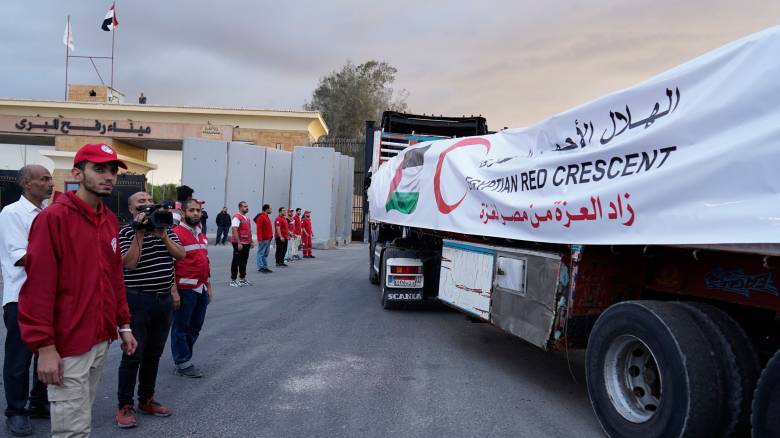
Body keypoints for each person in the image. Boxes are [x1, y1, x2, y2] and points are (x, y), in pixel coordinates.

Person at [18, 143, 137, 438]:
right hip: (67, 345)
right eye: (99, 169)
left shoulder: (109, 220)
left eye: (112, 171)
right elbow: (38, 288)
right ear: (77, 173)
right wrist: (44, 346)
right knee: (72, 431)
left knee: (82, 419)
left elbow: (114, 278)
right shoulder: (53, 218)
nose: (108, 177)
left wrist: (124, 326)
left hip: (99, 340)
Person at [115, 192, 186, 429]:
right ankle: (125, 405)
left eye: (149, 202)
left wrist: (163, 235)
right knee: (132, 354)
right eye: (140, 202)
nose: (146, 205)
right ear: (131, 208)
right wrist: (140, 233)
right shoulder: (126, 231)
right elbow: (130, 263)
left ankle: (146, 399)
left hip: (163, 301)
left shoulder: (166, 226)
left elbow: (181, 255)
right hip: (137, 300)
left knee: (154, 354)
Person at [0, 165, 53, 437]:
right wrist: (61, 257)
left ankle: (39, 403)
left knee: (47, 353)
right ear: (25, 183)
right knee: (19, 358)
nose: (50, 183)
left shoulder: (47, 213)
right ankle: (16, 411)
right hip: (21, 298)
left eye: (50, 178)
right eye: (43, 179)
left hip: (48, 298)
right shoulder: (12, 213)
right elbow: (21, 257)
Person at [169, 199, 211, 378]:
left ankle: (184, 356)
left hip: (200, 288)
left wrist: (208, 286)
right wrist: (173, 292)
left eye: (198, 210)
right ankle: (183, 361)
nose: (196, 213)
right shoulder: (175, 233)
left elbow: (205, 261)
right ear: (183, 213)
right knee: (181, 327)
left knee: (196, 326)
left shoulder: (200, 233)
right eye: (192, 210)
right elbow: (169, 265)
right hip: (184, 289)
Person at [230, 201, 253, 287]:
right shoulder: (237, 217)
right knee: (236, 261)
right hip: (238, 243)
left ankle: (242, 279)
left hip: (246, 243)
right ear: (240, 207)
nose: (247, 208)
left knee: (244, 261)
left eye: (247, 206)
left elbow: (248, 231)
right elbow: (234, 230)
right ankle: (233, 280)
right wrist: (239, 243)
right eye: (244, 206)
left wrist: (251, 241)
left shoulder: (247, 218)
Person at [254, 204, 273, 273]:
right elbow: (259, 229)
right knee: (260, 253)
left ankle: (265, 267)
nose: (271, 210)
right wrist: (259, 239)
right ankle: (260, 267)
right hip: (263, 239)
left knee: (265, 254)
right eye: (270, 208)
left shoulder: (266, 216)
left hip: (268, 239)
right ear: (267, 209)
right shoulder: (261, 217)